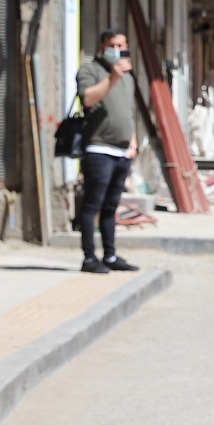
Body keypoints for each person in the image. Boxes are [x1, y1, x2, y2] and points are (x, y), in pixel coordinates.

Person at [73, 30, 142, 274]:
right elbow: (88, 99)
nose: (117, 49)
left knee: (111, 207)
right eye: (112, 45)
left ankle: (110, 256)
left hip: (122, 152)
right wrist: (112, 77)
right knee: (92, 205)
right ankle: (89, 257)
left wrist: (132, 142)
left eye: (121, 44)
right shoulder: (91, 71)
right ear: (102, 45)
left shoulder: (128, 76)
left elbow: (128, 112)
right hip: (98, 148)